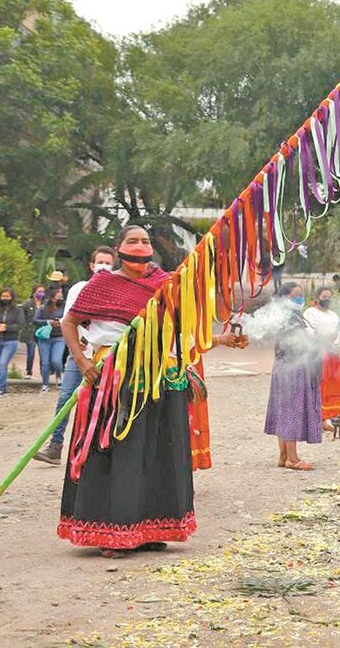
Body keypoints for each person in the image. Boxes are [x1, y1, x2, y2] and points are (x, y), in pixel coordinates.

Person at [56, 225, 240, 557]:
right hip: (115, 381)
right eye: (132, 240)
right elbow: (69, 322)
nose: (140, 246)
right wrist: (82, 362)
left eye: (145, 241)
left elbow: (183, 336)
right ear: (118, 248)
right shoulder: (102, 285)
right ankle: (110, 531)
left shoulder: (168, 287)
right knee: (117, 453)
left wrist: (222, 339)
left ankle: (152, 527)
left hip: (162, 379)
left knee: (156, 453)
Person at [33, 247, 115, 465]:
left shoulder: (118, 291)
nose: (104, 267)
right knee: (66, 397)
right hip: (78, 354)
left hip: (104, 356)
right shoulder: (79, 289)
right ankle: (55, 445)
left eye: (108, 263)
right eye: (100, 262)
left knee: (100, 404)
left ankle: (96, 451)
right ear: (91, 265)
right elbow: (69, 319)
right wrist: (77, 346)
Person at [265, 283, 323, 470]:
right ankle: (293, 458)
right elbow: (297, 344)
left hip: (287, 366)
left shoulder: (293, 316)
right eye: (296, 295)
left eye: (301, 295)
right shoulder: (288, 318)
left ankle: (283, 455)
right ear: (285, 299)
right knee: (291, 410)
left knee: (284, 409)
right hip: (292, 366)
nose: (300, 299)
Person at [304, 286, 340, 429]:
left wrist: (338, 346)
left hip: (333, 355)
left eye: (329, 297)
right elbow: (309, 333)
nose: (327, 299)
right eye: (324, 297)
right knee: (322, 386)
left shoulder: (333, 314)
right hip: (319, 354)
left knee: (337, 385)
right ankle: (319, 420)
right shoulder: (311, 313)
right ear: (317, 297)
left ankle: (333, 415)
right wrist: (325, 342)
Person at [0, 288, 24, 398]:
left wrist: (7, 327)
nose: (5, 299)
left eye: (7, 296)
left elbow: (20, 324)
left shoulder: (18, 310)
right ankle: (2, 384)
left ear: (12, 297)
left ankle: (0, 388)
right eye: (3, 296)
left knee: (3, 364)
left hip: (10, 340)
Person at [34, 289, 67, 393]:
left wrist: (60, 322)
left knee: (56, 360)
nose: (60, 298)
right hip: (44, 338)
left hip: (59, 337)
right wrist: (48, 322)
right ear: (52, 298)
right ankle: (45, 384)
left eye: (61, 296)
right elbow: (35, 320)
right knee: (45, 362)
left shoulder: (64, 308)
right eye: (58, 296)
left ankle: (59, 377)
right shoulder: (43, 308)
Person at [20, 285, 46, 379]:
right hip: (30, 331)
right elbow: (22, 316)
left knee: (43, 353)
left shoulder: (45, 304)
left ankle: (44, 373)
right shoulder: (27, 303)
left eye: (42, 291)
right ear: (34, 292)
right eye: (39, 291)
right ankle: (29, 372)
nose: (41, 293)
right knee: (31, 352)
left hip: (42, 331)